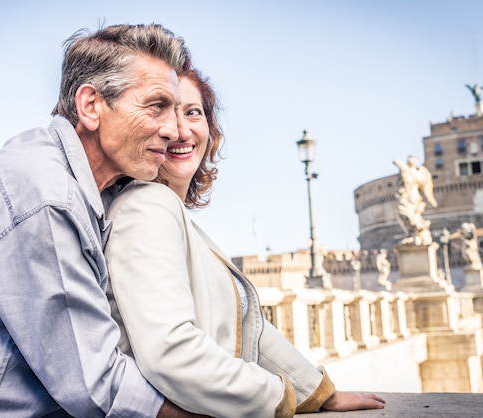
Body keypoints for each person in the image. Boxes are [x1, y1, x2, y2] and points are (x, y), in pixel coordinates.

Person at [0, 24, 205, 417]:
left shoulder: (77, 181)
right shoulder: (45, 194)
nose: (174, 130)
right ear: (91, 106)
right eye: (156, 106)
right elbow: (95, 384)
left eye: (178, 111)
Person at [105, 68, 386, 417]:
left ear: (210, 129)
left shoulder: (172, 215)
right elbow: (171, 351)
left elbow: (248, 325)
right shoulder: (146, 206)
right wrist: (275, 397)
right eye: (162, 111)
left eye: (193, 112)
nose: (179, 129)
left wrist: (316, 392)